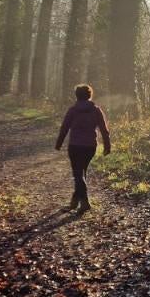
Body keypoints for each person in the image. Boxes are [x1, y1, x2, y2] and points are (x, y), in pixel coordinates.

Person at [55, 84, 111, 213]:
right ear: (90, 95)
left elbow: (64, 128)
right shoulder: (96, 110)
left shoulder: (73, 110)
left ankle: (84, 202)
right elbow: (104, 129)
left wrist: (59, 143)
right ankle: (74, 202)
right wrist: (107, 145)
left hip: (75, 146)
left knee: (78, 174)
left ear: (76, 95)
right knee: (81, 172)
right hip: (90, 146)